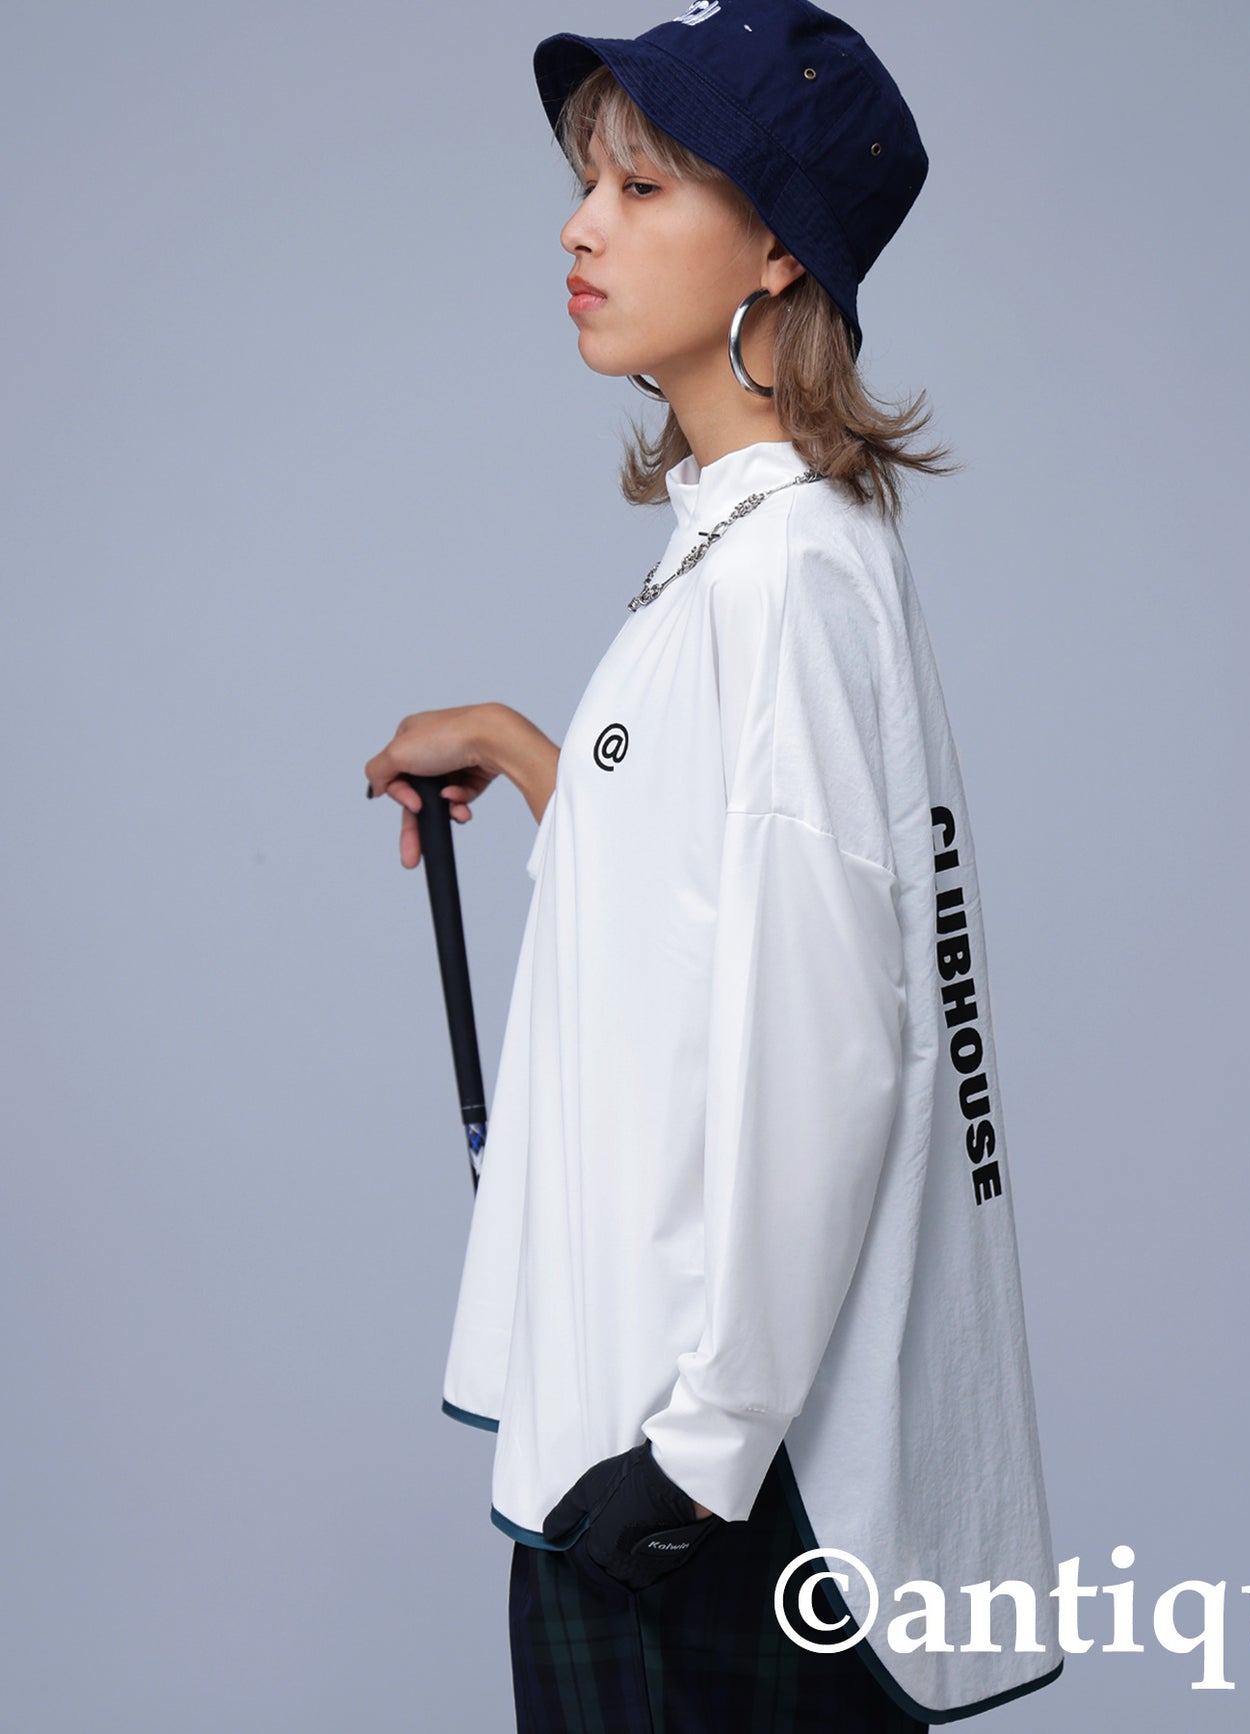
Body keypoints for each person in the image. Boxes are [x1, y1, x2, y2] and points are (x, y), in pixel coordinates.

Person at [364, 3, 1064, 1728]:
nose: (576, 226)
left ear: (775, 250)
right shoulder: (751, 550)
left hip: (700, 1488)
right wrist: (537, 757)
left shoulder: (781, 581)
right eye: (586, 182)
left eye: (640, 185)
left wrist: (696, 1455)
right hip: (673, 1446)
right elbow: (723, 916)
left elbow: (828, 1047)